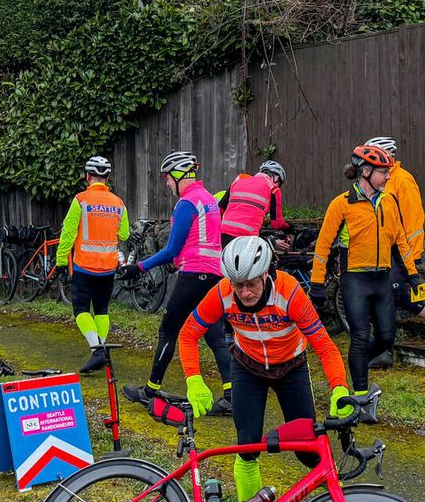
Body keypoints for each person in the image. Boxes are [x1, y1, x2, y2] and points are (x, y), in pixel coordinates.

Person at [178, 235, 350, 502]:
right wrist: (194, 379)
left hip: (291, 368)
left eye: (252, 284)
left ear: (267, 274)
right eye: (238, 285)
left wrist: (339, 388)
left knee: (309, 449)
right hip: (247, 369)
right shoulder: (222, 293)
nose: (244, 293)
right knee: (247, 447)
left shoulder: (290, 292)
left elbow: (324, 345)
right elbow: (188, 333)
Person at [124, 151, 234, 414]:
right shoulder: (209, 199)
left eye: (167, 178)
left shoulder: (186, 203)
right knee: (215, 334)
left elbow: (172, 249)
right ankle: (232, 395)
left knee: (168, 329)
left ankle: (150, 390)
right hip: (215, 274)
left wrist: (139, 266)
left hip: (194, 274)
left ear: (178, 175)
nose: (166, 183)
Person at [309, 144, 424, 391]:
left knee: (386, 337)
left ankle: (358, 362)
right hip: (355, 281)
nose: (388, 176)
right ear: (365, 172)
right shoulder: (341, 204)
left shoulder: (389, 201)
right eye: (384, 172)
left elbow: (401, 243)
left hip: (382, 280)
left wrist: (413, 276)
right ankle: (361, 393)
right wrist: (316, 284)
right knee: (360, 336)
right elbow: (323, 246)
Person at [363, 136, 425, 349]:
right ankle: (383, 348)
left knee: (398, 292)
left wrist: (412, 254)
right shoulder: (376, 181)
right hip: (380, 250)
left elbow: (413, 220)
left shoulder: (402, 179)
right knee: (377, 295)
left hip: (401, 251)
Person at [54, 155, 130, 374]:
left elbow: (68, 233)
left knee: (80, 309)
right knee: (101, 309)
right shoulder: (118, 203)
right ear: (107, 178)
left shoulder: (80, 200)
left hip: (84, 266)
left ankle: (97, 350)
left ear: (87, 176)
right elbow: (124, 234)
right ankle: (101, 351)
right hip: (108, 267)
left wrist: (61, 261)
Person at [218, 160, 290, 246]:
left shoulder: (238, 181)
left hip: (224, 234)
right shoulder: (274, 189)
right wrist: (291, 230)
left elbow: (219, 210)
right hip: (248, 239)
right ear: (277, 178)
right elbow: (277, 224)